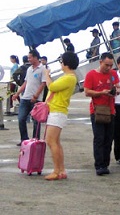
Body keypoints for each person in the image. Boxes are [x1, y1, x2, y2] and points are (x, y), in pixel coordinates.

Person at [43, 51, 79, 180]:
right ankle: (61, 169)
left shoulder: (69, 77)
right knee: (56, 142)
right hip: (58, 111)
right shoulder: (69, 76)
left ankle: (57, 170)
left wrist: (47, 75)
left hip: (57, 111)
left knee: (51, 141)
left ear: (65, 63)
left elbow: (51, 86)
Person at [84, 52, 120, 176]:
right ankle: (99, 165)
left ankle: (105, 163)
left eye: (110, 65)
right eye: (106, 65)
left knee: (108, 139)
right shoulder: (91, 75)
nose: (108, 68)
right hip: (97, 110)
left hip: (111, 110)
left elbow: (118, 86)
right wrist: (101, 92)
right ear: (100, 62)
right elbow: (87, 92)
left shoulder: (113, 74)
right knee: (99, 138)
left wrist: (116, 91)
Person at [12, 50, 47, 145]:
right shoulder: (29, 69)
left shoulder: (42, 69)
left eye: (30, 57)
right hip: (25, 98)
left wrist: (36, 95)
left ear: (36, 57)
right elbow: (25, 83)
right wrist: (17, 93)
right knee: (21, 118)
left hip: (36, 99)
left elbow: (43, 83)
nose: (29, 59)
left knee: (36, 121)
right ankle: (24, 139)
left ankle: (35, 140)